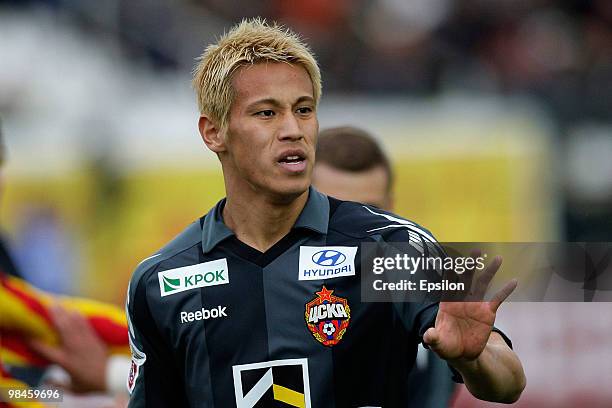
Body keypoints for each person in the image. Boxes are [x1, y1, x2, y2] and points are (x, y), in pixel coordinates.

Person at [126, 18, 525, 407]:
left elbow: (509, 383)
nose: (292, 129)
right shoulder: (161, 282)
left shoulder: (388, 246)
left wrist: (473, 357)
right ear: (214, 132)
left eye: (303, 110)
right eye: (267, 113)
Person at [313, 126, 457, 407]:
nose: (352, 230)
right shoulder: (259, 287)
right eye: (335, 210)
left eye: (370, 212)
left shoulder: (421, 301)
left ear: (391, 209)